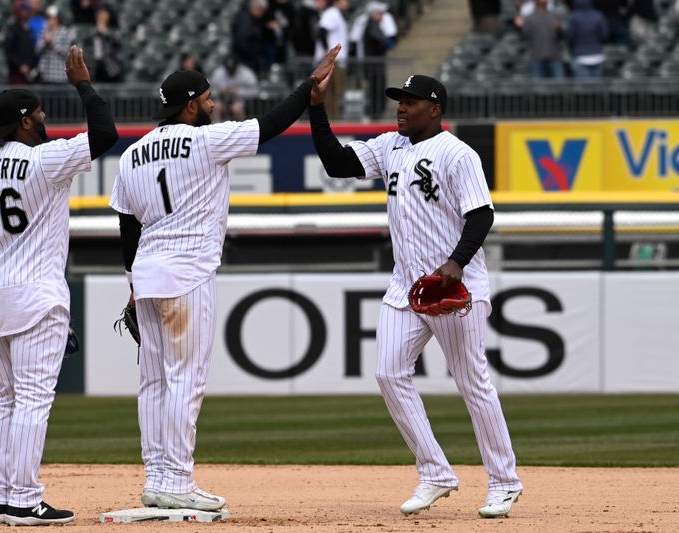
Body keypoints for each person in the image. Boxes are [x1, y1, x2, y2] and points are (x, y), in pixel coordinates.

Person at [109, 45, 341, 513]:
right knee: (185, 380)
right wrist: (308, 87)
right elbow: (272, 124)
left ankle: (157, 477)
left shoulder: (132, 155)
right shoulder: (207, 140)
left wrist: (133, 283)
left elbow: (127, 225)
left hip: (149, 273)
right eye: (209, 99)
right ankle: (176, 479)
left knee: (154, 381)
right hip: (189, 271)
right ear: (191, 104)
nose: (214, 105)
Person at [308, 73, 524, 518]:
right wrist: (315, 106)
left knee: (472, 382)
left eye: (411, 101)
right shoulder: (389, 146)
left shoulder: (457, 154)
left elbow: (481, 215)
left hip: (454, 288)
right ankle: (435, 472)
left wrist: (456, 263)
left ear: (436, 109)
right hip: (405, 287)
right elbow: (336, 163)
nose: (401, 108)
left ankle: (505, 481)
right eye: (399, 101)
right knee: (388, 373)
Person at [0, 45, 118, 526]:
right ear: (25, 120)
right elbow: (105, 133)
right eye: (39, 112)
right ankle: (24, 499)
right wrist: (84, 84)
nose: (44, 118)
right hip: (37, 293)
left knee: (5, 399)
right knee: (32, 399)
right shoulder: (44, 159)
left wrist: (0, 264)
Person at [349, 1, 397, 119]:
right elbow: (383, 42)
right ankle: (374, 113)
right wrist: (388, 45)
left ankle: (375, 113)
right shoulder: (372, 26)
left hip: (374, 63)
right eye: (379, 13)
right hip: (374, 65)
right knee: (376, 89)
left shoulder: (372, 26)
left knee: (376, 88)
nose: (381, 16)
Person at [314, 0, 349, 119]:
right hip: (332, 60)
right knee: (331, 91)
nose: (347, 3)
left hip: (335, 60)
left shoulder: (335, 13)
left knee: (334, 91)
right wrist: (326, 52)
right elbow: (321, 31)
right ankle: (330, 117)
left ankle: (332, 116)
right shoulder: (332, 12)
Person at [565, 0, 609, 78]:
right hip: (597, 55)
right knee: (597, 87)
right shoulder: (598, 15)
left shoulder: (573, 17)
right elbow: (604, 35)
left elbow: (570, 37)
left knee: (584, 88)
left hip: (580, 56)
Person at [522, 0, 565, 78]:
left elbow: (525, 36)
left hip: (549, 55)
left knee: (558, 85)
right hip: (539, 56)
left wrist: (559, 29)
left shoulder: (553, 16)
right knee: (541, 86)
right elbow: (525, 35)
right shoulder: (530, 18)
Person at [209, 55, 259, 121]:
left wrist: (238, 91)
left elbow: (255, 91)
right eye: (228, 68)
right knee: (216, 107)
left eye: (233, 68)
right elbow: (210, 89)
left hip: (239, 100)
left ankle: (240, 130)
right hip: (222, 100)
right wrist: (219, 91)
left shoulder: (247, 73)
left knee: (237, 108)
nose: (231, 70)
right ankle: (217, 129)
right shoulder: (218, 73)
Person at [4, 0, 38, 83]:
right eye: (24, 10)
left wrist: (30, 65)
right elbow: (9, 51)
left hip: (29, 72)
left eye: (27, 10)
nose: (26, 12)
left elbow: (32, 50)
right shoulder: (13, 29)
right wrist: (20, 65)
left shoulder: (29, 29)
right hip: (17, 73)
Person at [36, 5, 72, 84]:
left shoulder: (64, 32)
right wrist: (45, 43)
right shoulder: (44, 31)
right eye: (49, 18)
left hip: (60, 76)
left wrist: (53, 43)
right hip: (45, 75)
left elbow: (66, 53)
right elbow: (37, 51)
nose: (51, 21)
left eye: (53, 18)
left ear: (58, 18)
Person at [88, 4, 123, 82]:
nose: (101, 16)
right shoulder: (91, 31)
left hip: (110, 67)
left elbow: (118, 42)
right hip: (94, 66)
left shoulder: (113, 31)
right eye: (99, 14)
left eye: (104, 14)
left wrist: (105, 32)